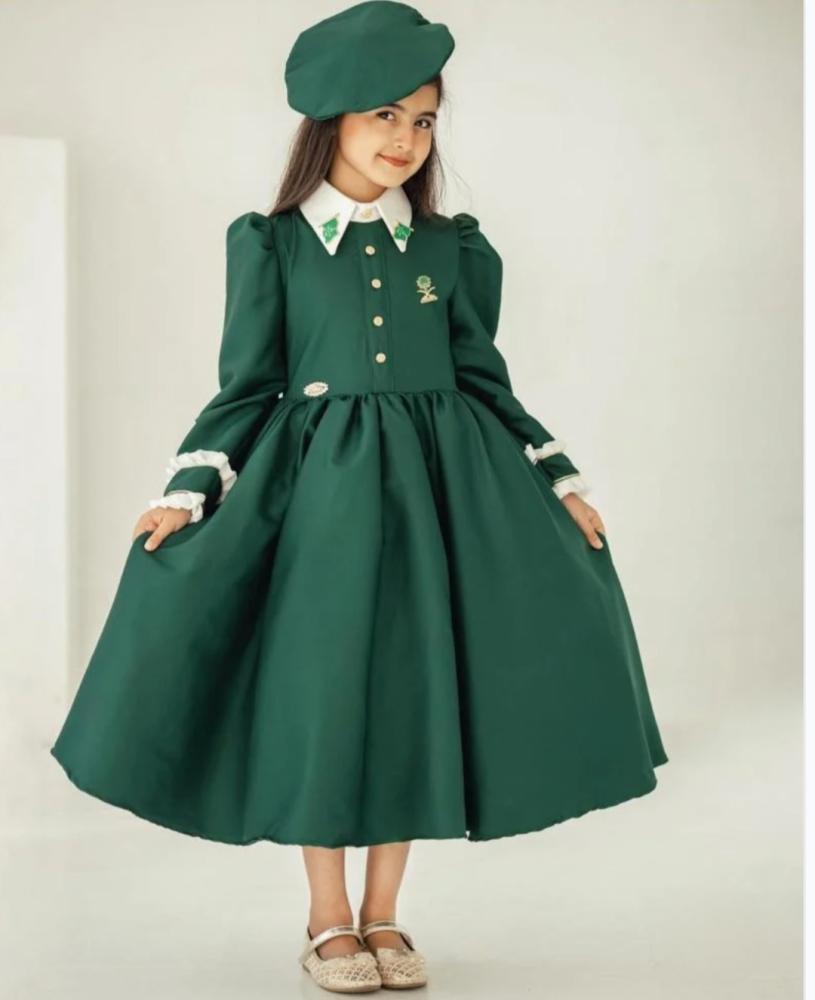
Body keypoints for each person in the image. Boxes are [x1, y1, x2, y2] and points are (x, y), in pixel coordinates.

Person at [50, 0, 669, 992]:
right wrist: (188, 492)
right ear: (330, 117)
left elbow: (483, 380)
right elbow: (247, 388)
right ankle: (327, 918)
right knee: (326, 691)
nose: (404, 139)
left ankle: (385, 915)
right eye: (384, 114)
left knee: (411, 689)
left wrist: (559, 480)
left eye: (421, 119)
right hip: (321, 508)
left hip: (436, 503)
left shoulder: (450, 250)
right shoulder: (273, 245)